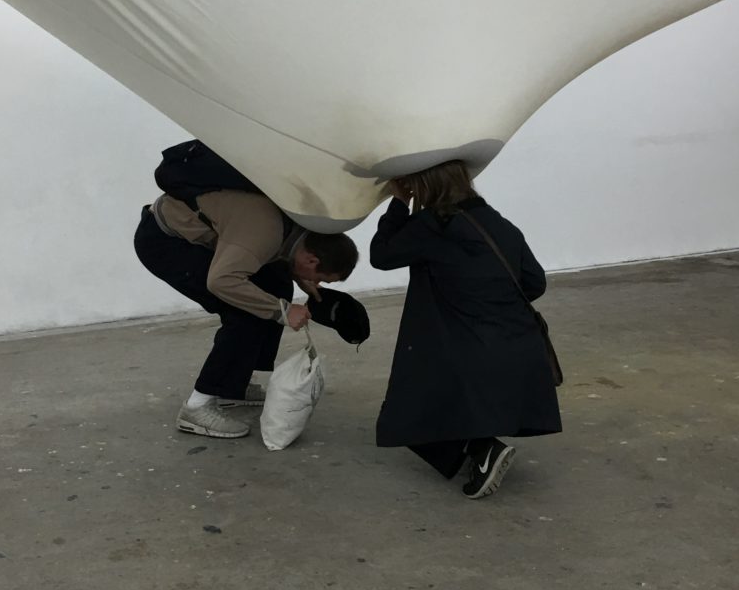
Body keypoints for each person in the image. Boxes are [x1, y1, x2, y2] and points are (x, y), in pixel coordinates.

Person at [369, 159, 560, 498]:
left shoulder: (434, 225)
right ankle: (480, 448)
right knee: (436, 396)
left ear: (423, 185)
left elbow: (381, 255)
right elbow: (535, 281)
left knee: (405, 408)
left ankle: (481, 449)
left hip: (469, 350)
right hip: (521, 345)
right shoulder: (499, 224)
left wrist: (399, 202)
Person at [135, 176, 359, 440]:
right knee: (246, 313)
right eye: (320, 278)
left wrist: (296, 282)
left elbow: (267, 253)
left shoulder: (299, 227)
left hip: (203, 232)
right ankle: (197, 407)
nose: (317, 283)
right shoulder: (264, 233)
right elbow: (221, 281)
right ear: (311, 259)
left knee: (277, 285)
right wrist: (283, 311)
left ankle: (233, 386)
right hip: (165, 241)